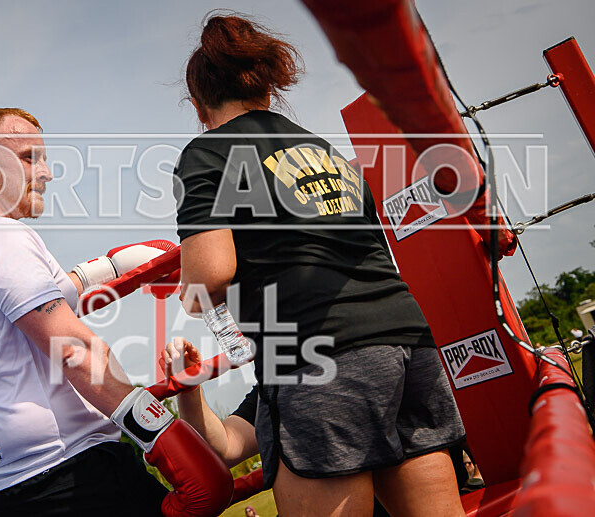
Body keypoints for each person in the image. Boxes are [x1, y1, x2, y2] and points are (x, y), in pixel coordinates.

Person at [172, 14, 467, 516]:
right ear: (267, 90)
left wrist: (188, 287)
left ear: (199, 107)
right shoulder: (325, 151)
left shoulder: (208, 151)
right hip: (406, 340)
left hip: (320, 353)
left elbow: (210, 274)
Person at [0, 108, 232, 516]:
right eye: (29, 157)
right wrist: (161, 431)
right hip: (71, 477)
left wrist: (112, 266)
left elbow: (38, 305)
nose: (47, 172)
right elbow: (72, 349)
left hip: (11, 489)